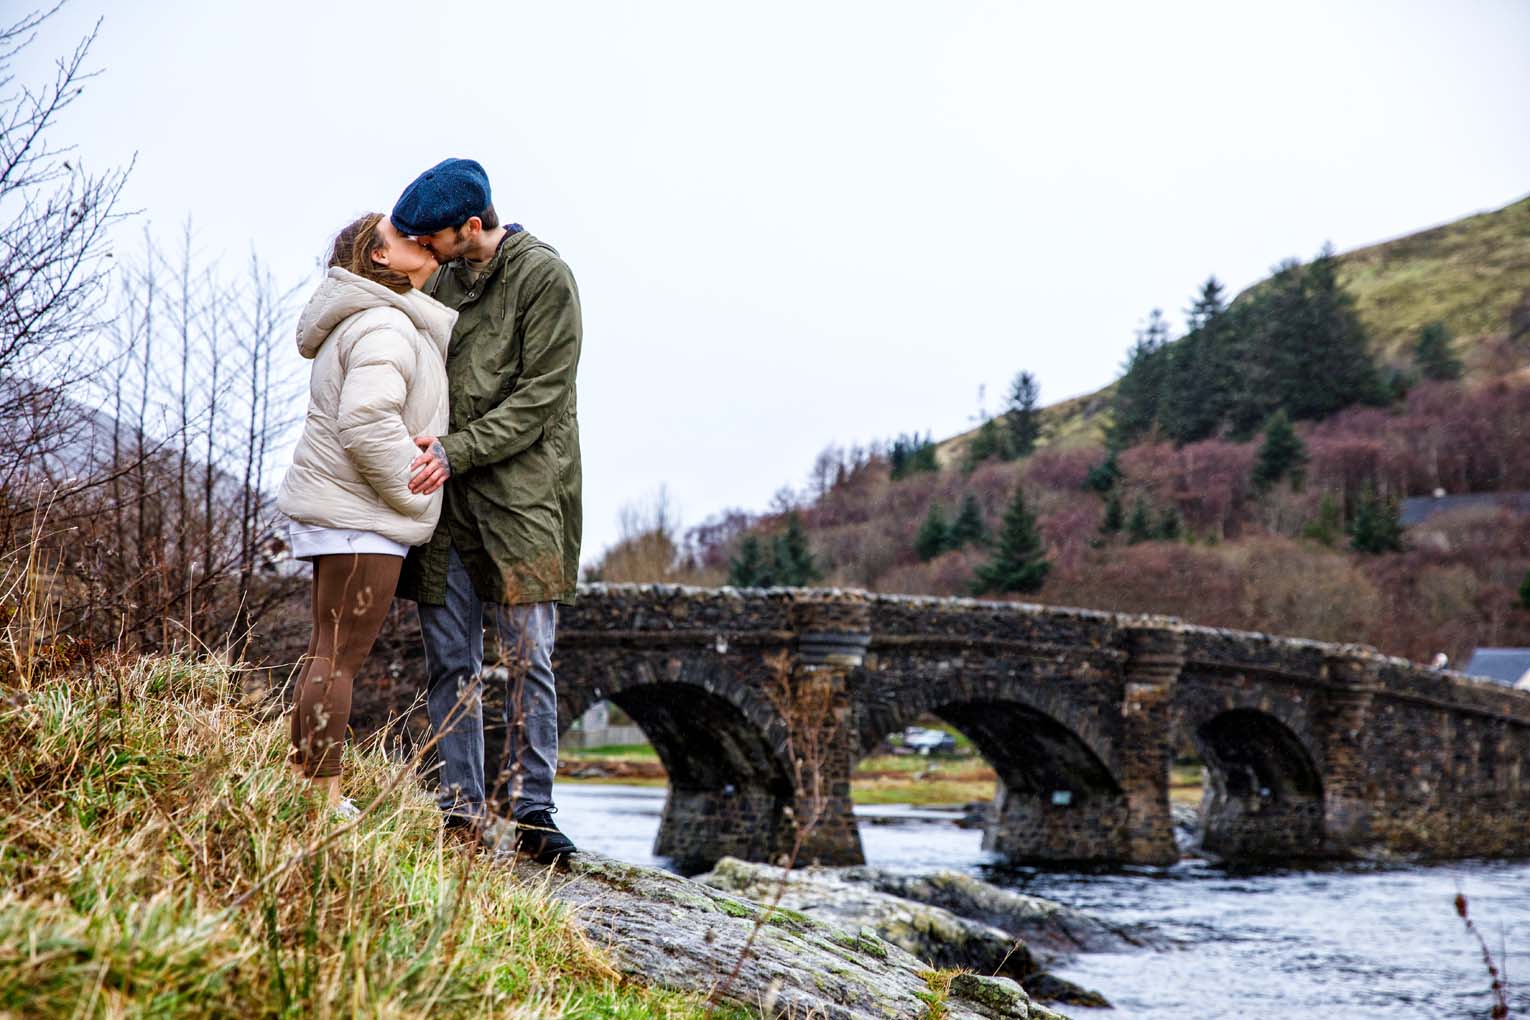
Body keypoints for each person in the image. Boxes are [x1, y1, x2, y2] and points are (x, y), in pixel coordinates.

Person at [390, 158, 583, 863]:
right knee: (450, 661)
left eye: (433, 238)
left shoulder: (546, 279)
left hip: (525, 502)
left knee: (529, 658)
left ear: (472, 227)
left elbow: (541, 398)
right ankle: (460, 812)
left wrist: (456, 449)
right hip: (444, 503)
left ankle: (535, 812)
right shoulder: (433, 278)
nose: (424, 251)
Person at [276, 213, 455, 816]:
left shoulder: (365, 319)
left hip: (342, 508)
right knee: (339, 657)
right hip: (361, 516)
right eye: (402, 235)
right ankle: (320, 793)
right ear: (379, 259)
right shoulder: (384, 324)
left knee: (326, 650)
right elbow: (366, 421)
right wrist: (418, 489)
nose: (419, 237)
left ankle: (306, 782)